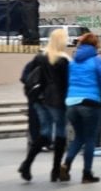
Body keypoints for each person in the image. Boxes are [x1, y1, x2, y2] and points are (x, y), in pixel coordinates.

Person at [59, 33, 101, 184]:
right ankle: (87, 173)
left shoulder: (73, 62)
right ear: (95, 45)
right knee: (90, 139)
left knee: (79, 137)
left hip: (71, 103)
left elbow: (67, 81)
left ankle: (66, 164)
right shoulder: (97, 61)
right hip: (90, 103)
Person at [18, 28, 70, 182]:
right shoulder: (63, 60)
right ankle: (55, 171)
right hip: (57, 100)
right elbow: (66, 84)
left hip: (39, 99)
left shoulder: (40, 56)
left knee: (45, 133)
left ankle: (26, 165)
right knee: (61, 133)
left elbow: (25, 76)